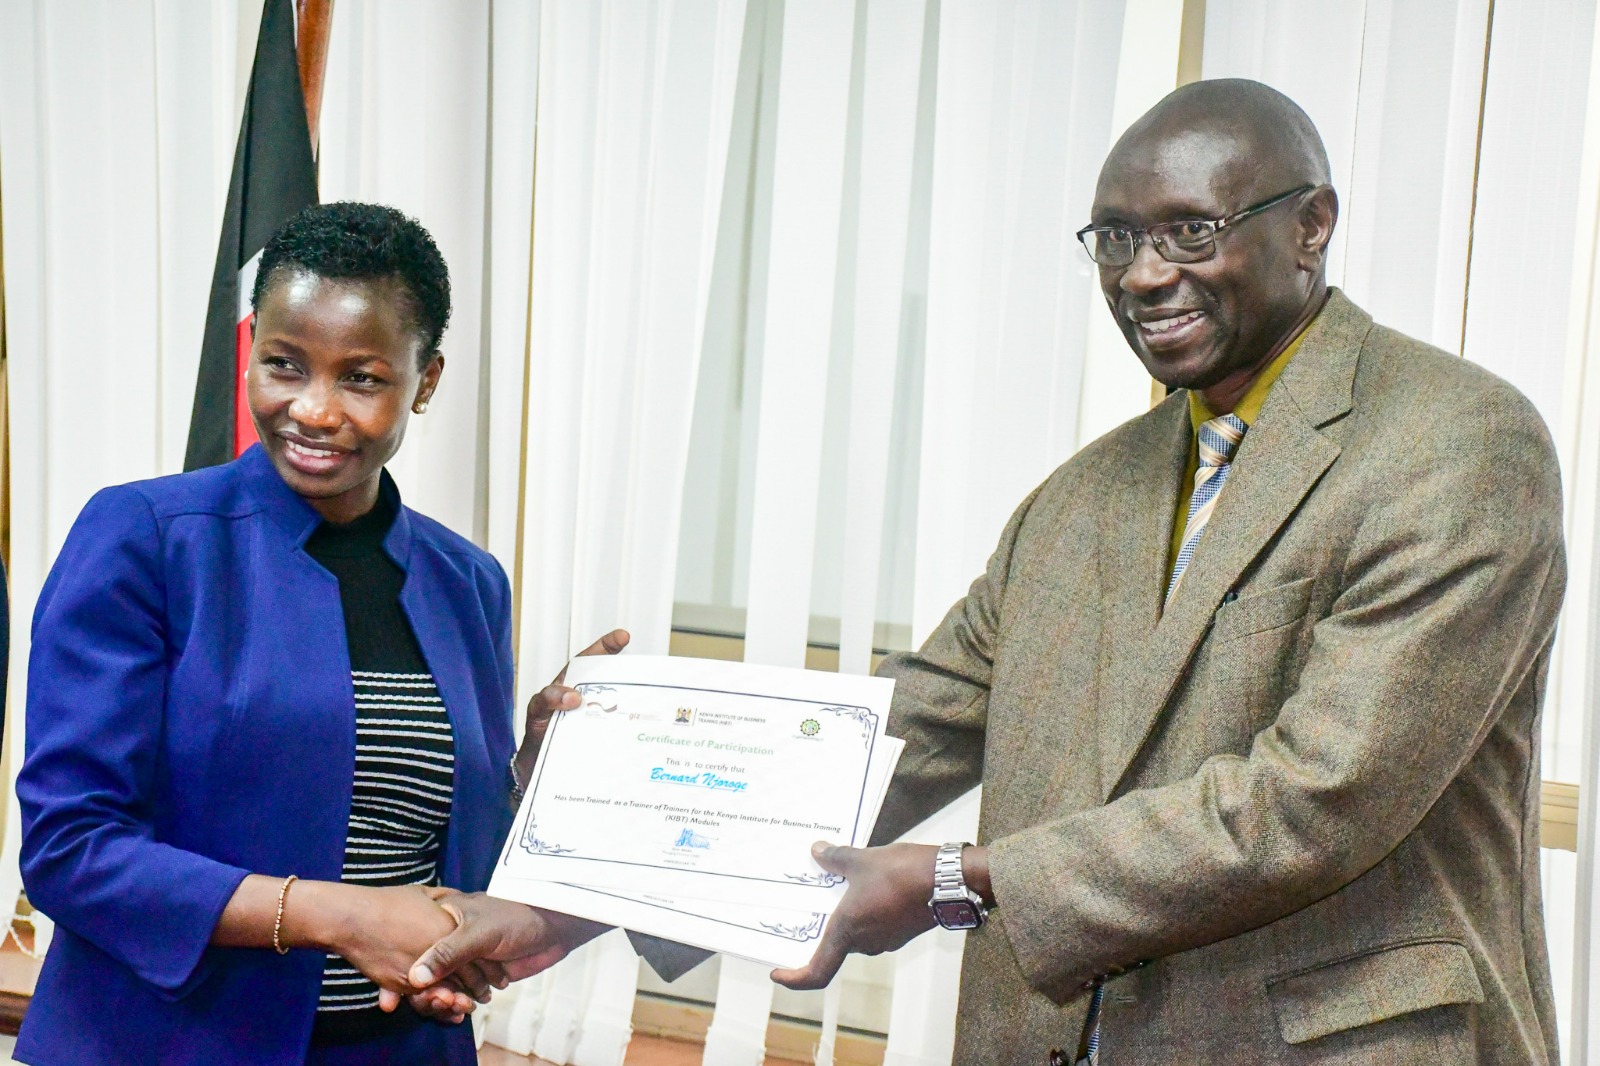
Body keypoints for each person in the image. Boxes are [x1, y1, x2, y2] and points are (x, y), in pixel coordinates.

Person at [405, 79, 1568, 1064]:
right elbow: (911, 729)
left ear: (1311, 223)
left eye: (1189, 231)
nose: (1143, 274)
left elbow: (1318, 799)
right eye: (1114, 238)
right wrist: (590, 887)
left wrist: (961, 877)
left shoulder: (1454, 445)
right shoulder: (1081, 495)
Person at [15, 201, 610, 1065]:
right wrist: (345, 917)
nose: (314, 410)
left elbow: (439, 851)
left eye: (362, 378)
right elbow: (71, 850)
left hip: (402, 1047)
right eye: (284, 365)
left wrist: (538, 770)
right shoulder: (145, 537)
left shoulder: (467, 583)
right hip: (168, 1044)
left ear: (426, 379)